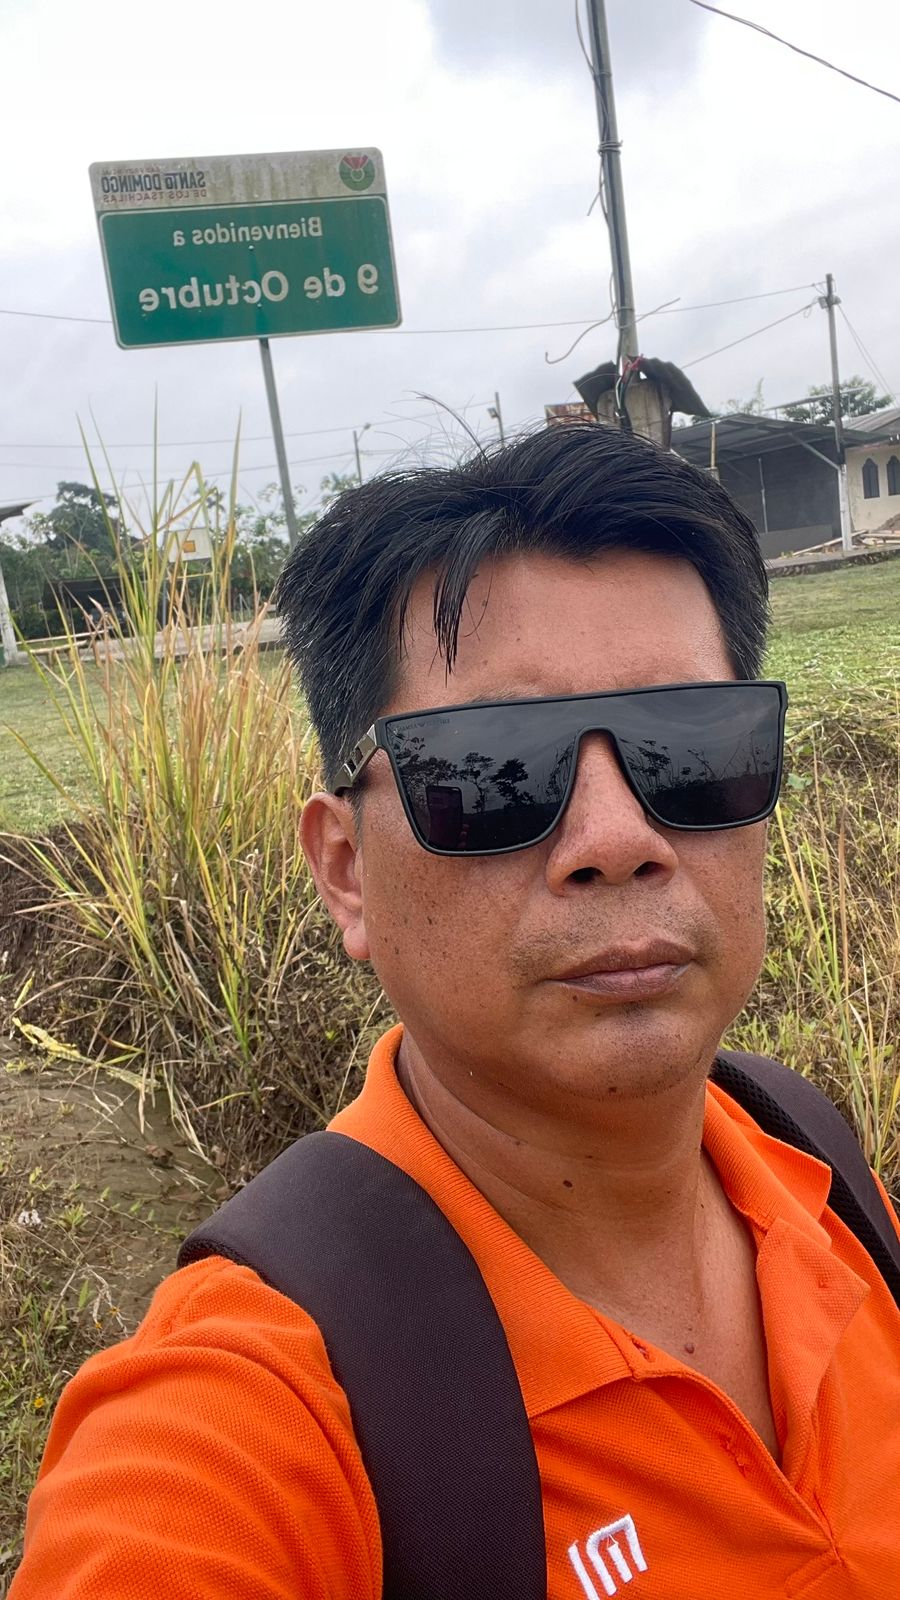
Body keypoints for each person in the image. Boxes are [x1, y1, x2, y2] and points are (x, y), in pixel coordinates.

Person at [10, 423, 900, 1599]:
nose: (617, 839)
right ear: (345, 872)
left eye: (690, 746)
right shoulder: (254, 1417)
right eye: (492, 771)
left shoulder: (815, 1171)